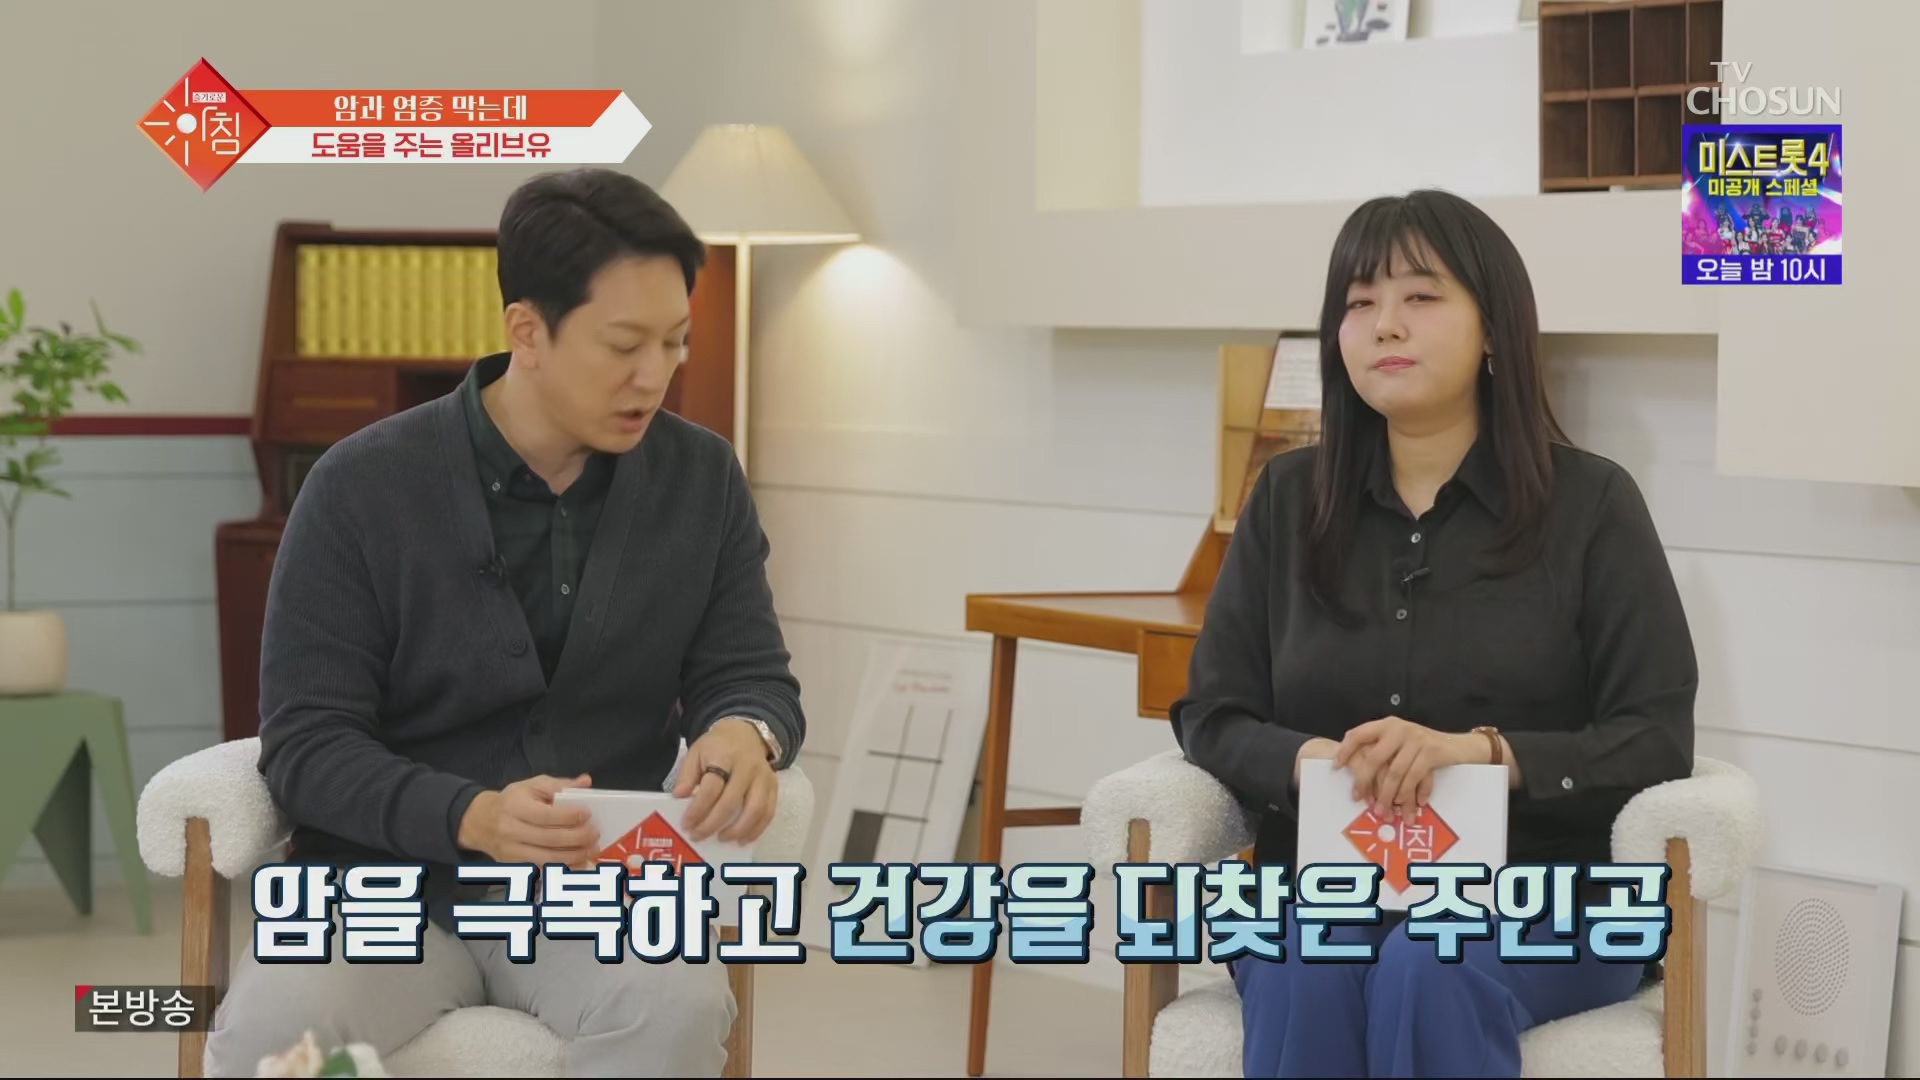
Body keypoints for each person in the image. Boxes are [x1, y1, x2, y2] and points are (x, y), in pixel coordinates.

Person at [206, 168, 807, 1078]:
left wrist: (743, 731)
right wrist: (475, 817)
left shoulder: (702, 478)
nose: (655, 376)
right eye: (624, 345)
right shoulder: (360, 486)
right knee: (269, 1034)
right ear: (527, 330)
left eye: (675, 342)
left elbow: (751, 675)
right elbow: (307, 746)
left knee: (678, 1004)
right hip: (383, 885)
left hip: (596, 888)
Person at [1169, 189, 1696, 1078]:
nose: (1385, 323)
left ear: (1494, 328)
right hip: (1327, 883)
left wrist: (1480, 754)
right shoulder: (1286, 500)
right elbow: (1210, 714)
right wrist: (1313, 760)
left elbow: (1655, 736)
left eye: (1420, 296)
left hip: (1544, 891)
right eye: (1359, 302)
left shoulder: (1593, 505)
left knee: (1430, 962)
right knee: (1302, 959)